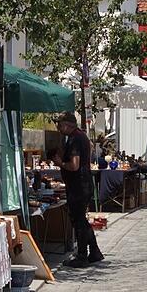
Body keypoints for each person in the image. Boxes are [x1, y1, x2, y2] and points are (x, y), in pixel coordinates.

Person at [56, 112, 103, 268]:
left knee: (79, 221)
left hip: (79, 185)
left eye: (60, 125)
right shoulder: (80, 136)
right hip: (82, 183)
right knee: (81, 219)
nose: (58, 128)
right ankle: (94, 251)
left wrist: (60, 163)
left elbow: (74, 165)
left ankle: (82, 255)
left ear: (66, 125)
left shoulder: (76, 139)